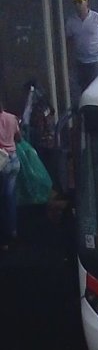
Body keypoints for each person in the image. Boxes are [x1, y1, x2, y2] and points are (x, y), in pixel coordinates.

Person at [65, 0, 98, 98]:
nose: (77, 5)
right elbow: (69, 42)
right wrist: (69, 62)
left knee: (97, 89)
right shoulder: (71, 21)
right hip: (80, 61)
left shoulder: (97, 18)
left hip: (96, 59)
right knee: (83, 89)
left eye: (80, 2)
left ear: (86, 2)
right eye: (75, 2)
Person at [0, 98, 22, 251]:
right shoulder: (12, 118)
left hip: (1, 160)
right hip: (14, 160)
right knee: (10, 197)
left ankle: (5, 234)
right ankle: (13, 230)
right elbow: (18, 138)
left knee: (3, 200)